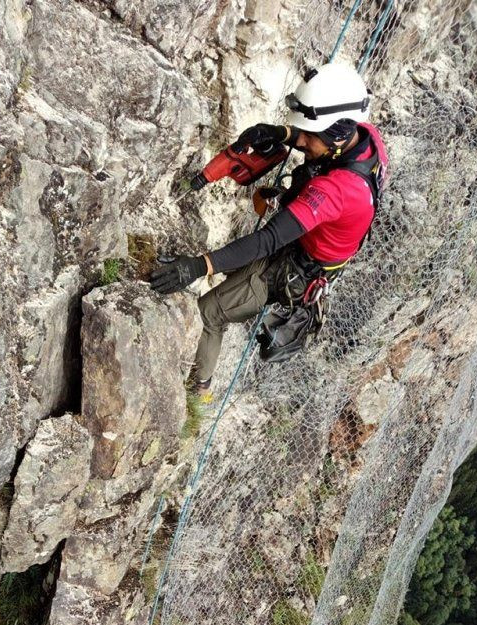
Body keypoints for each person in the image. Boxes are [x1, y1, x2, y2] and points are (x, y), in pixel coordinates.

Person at [150, 63, 388, 398]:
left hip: (293, 268)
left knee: (211, 312)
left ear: (336, 134)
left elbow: (268, 240)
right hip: (312, 245)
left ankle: (197, 393)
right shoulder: (366, 139)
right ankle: (212, 268)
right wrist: (280, 134)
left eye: (308, 136)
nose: (300, 141)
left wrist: (198, 267)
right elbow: (314, 141)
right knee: (233, 266)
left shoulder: (337, 191)